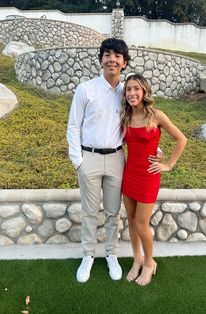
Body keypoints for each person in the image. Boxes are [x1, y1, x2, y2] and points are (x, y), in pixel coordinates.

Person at [67, 38, 131, 283]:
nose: (111, 59)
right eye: (107, 54)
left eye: (117, 56)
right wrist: (78, 161)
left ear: (124, 62)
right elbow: (73, 126)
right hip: (89, 158)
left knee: (113, 213)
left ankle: (111, 254)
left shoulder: (128, 91)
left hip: (116, 159)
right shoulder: (86, 89)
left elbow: (141, 121)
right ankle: (88, 255)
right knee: (90, 213)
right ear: (101, 59)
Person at [120, 74, 187, 286]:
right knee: (131, 220)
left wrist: (167, 164)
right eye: (128, 89)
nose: (132, 93)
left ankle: (149, 263)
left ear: (144, 91)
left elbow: (181, 139)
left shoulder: (156, 115)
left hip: (148, 176)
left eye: (136, 89)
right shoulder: (125, 117)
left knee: (141, 223)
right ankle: (137, 259)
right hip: (129, 174)